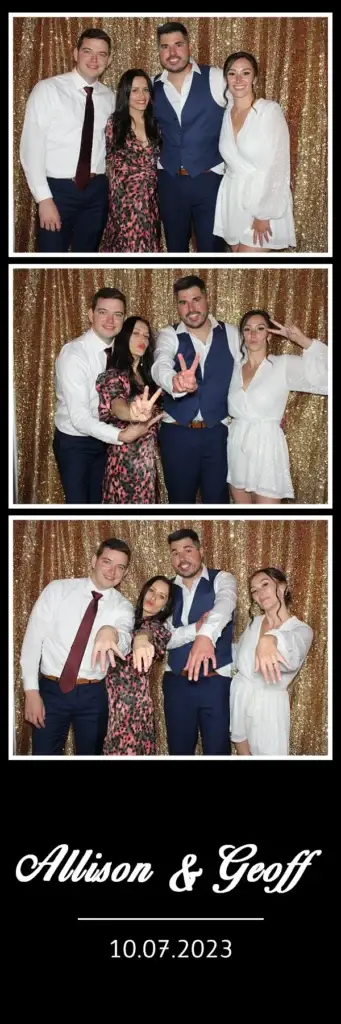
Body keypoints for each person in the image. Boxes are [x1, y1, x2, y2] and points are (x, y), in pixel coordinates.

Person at [20, 538, 135, 756]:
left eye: (120, 567)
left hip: (93, 694)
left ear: (126, 572)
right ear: (93, 560)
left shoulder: (123, 606)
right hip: (50, 692)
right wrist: (31, 692)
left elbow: (126, 639)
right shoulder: (57, 590)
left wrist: (112, 632)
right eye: (107, 562)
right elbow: (33, 642)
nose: (112, 571)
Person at [53, 288, 160, 505]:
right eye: (103, 312)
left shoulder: (123, 355)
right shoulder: (74, 354)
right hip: (76, 443)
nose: (110, 320)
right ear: (91, 314)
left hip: (106, 443)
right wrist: (122, 432)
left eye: (118, 314)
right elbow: (82, 417)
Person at [20, 28, 115, 253]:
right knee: (51, 253)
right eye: (87, 51)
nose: (94, 59)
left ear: (109, 60)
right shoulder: (48, 89)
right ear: (75, 53)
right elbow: (31, 148)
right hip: (57, 190)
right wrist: (43, 199)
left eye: (102, 54)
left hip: (97, 191)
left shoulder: (110, 97)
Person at [151, 274, 240, 504]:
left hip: (217, 433)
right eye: (183, 302)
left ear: (207, 299)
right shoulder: (169, 334)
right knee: (180, 500)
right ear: (177, 306)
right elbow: (160, 364)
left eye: (196, 299)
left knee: (218, 500)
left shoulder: (230, 333)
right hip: (177, 433)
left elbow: (245, 374)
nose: (191, 308)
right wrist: (174, 381)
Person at [227, 310, 328, 504]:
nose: (253, 334)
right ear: (242, 335)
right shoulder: (234, 367)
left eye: (260, 328)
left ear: (269, 334)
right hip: (236, 447)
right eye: (247, 329)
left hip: (267, 450)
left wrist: (303, 341)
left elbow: (326, 376)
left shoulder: (282, 365)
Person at [153, 21, 227, 252]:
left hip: (209, 180)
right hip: (169, 181)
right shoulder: (152, 85)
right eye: (165, 47)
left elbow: (240, 117)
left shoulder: (215, 77)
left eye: (178, 45)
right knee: (175, 248)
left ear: (189, 46)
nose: (172, 53)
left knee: (211, 248)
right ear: (159, 51)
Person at [162, 529, 237, 755]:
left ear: (200, 551)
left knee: (217, 749)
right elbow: (164, 638)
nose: (182, 558)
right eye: (175, 553)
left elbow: (225, 606)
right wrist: (196, 630)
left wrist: (206, 636)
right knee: (179, 749)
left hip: (214, 684)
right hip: (176, 682)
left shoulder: (222, 578)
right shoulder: (165, 588)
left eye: (188, 550)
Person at [213, 51, 296, 252]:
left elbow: (278, 164)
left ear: (254, 78)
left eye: (245, 73)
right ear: (226, 79)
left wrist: (263, 214)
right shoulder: (227, 114)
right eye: (232, 74)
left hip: (262, 202)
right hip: (232, 201)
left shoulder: (269, 111)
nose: (238, 79)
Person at [230, 567, 313, 756]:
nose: (259, 592)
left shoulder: (301, 630)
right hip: (241, 700)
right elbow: (238, 655)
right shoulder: (254, 623)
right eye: (254, 590)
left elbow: (294, 647)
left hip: (270, 710)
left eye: (265, 584)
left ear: (282, 587)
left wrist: (272, 639)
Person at [95, 316, 163, 503]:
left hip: (148, 463)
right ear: (124, 337)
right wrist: (132, 413)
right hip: (126, 464)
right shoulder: (114, 375)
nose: (143, 339)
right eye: (136, 333)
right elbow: (117, 405)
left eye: (147, 336)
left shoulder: (148, 377)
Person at [103, 576, 173, 755]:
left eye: (161, 596)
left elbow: (147, 634)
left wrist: (141, 638)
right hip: (102, 702)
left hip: (130, 711)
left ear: (165, 605)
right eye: (151, 590)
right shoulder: (123, 618)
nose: (153, 598)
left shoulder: (159, 630)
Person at [99, 69, 161, 253]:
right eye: (134, 91)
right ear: (125, 93)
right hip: (124, 203)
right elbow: (109, 161)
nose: (142, 96)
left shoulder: (155, 123)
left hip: (150, 201)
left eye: (145, 90)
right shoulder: (115, 123)